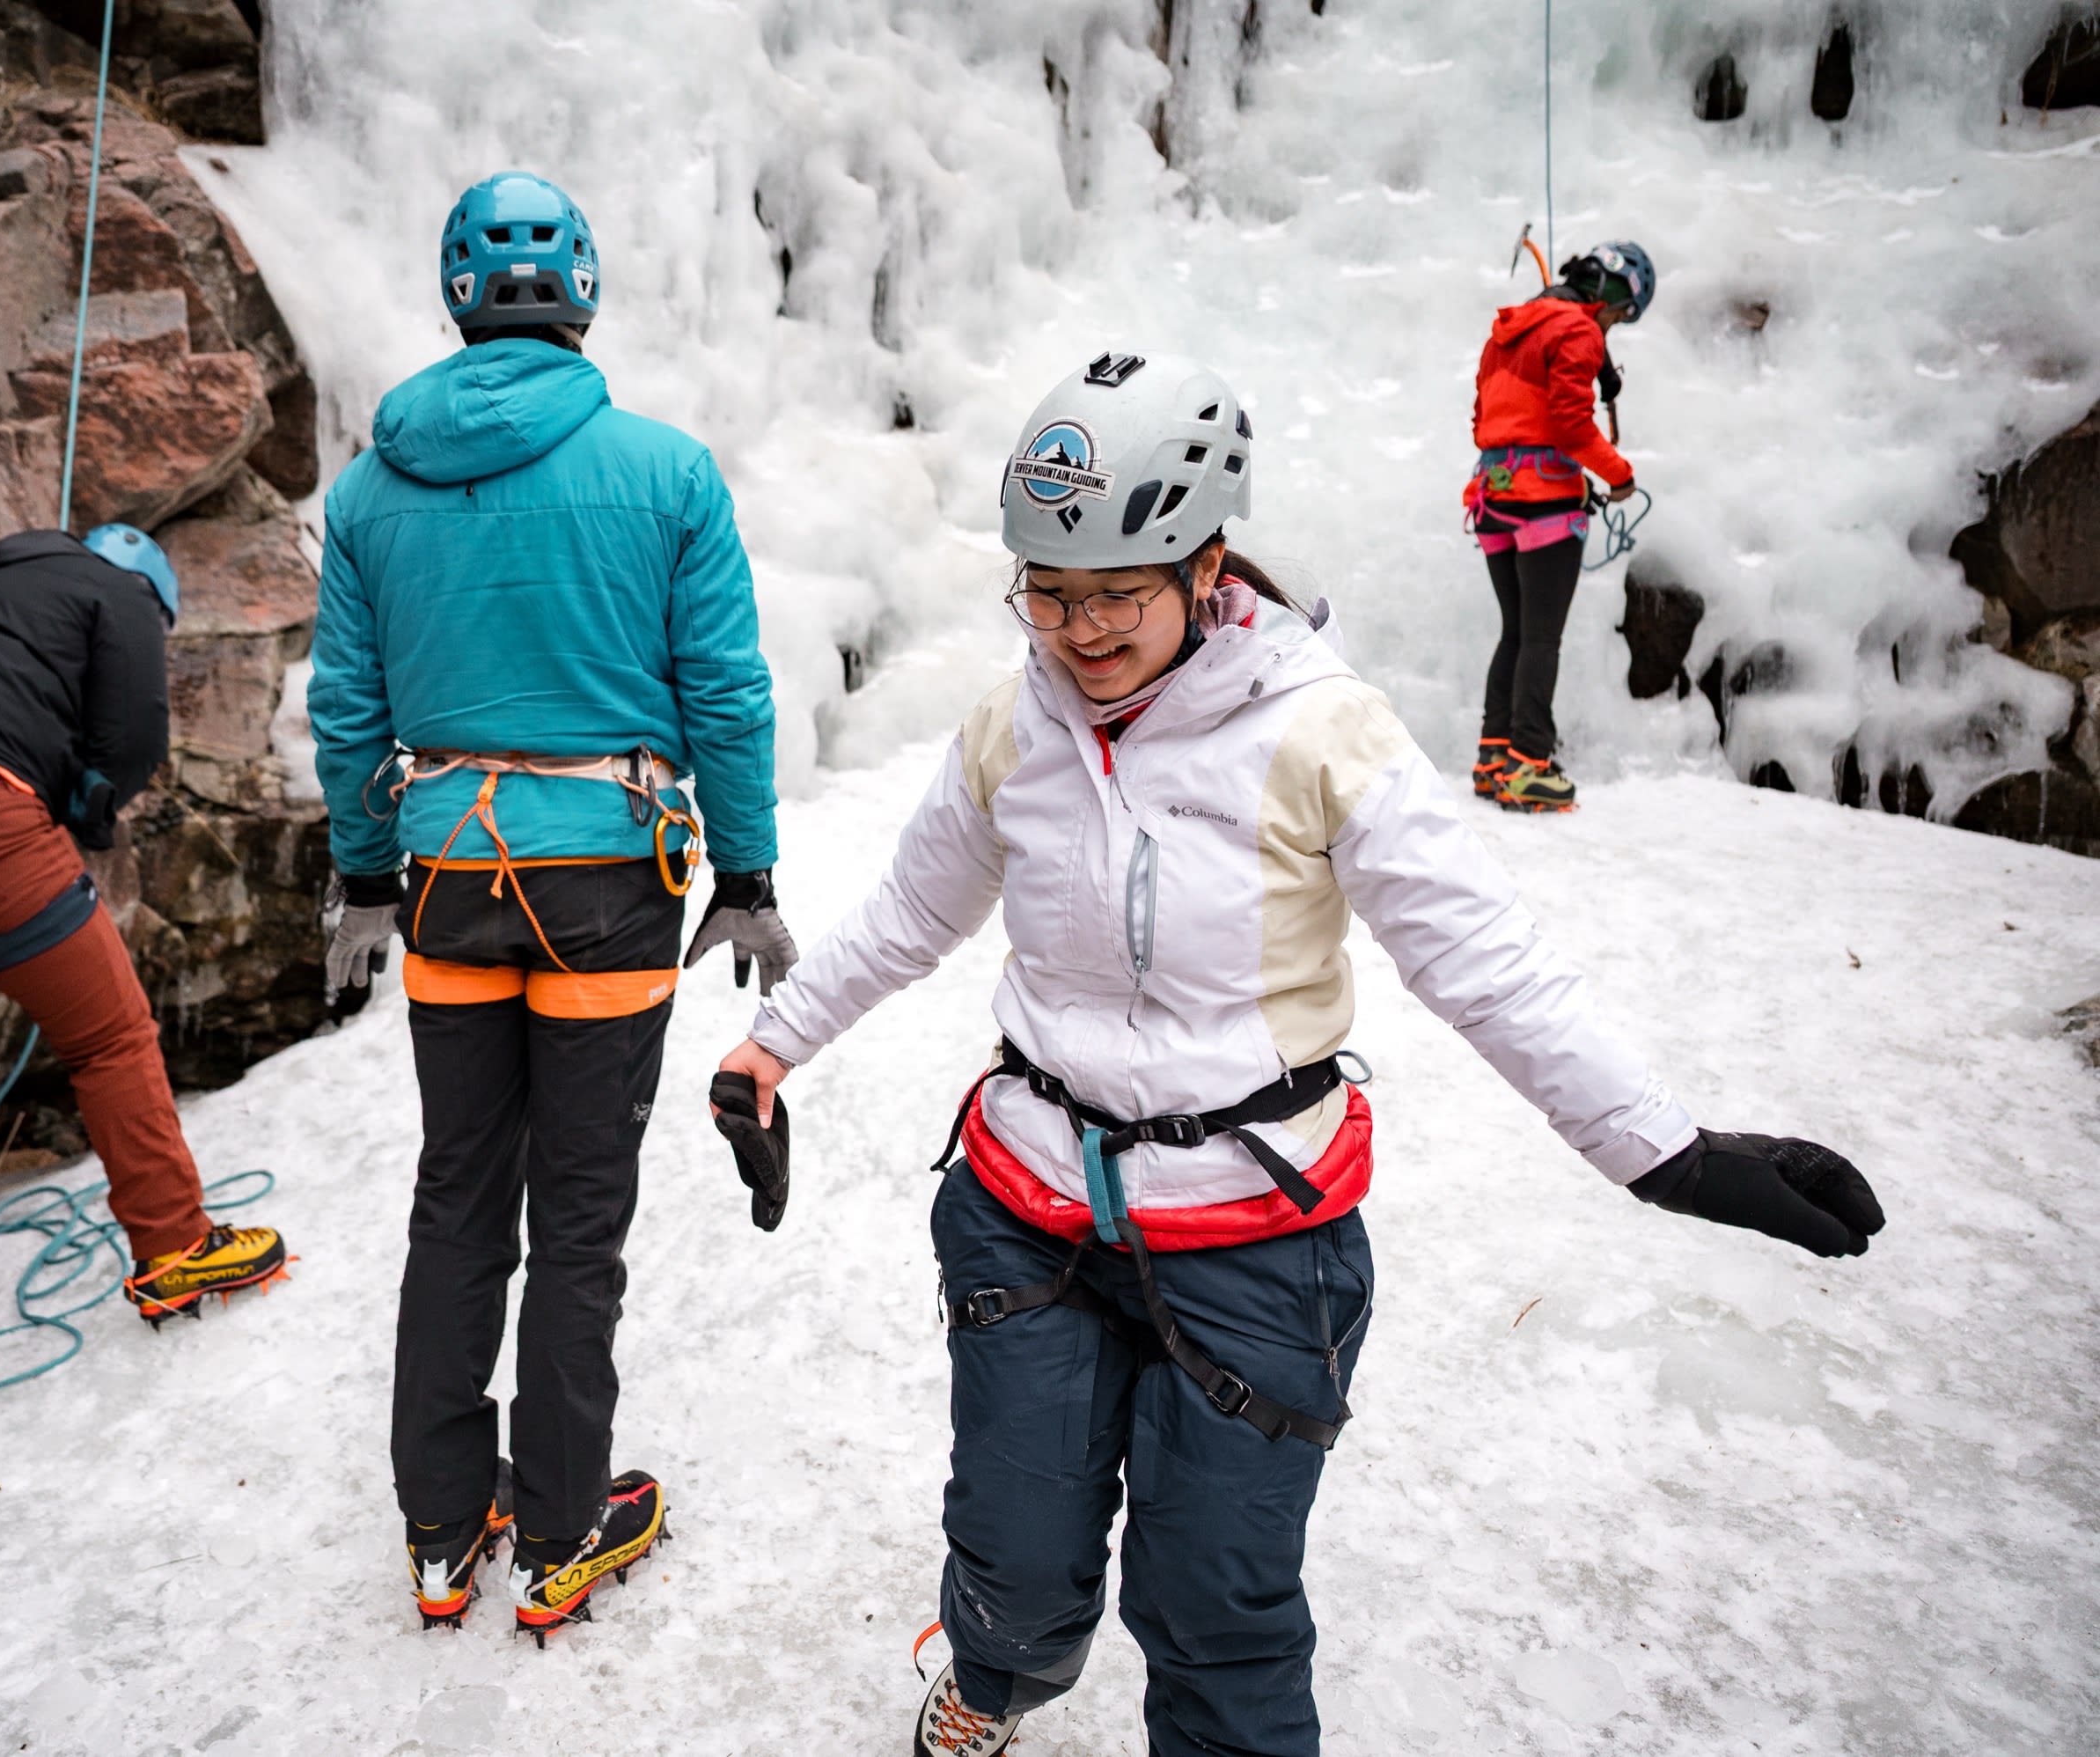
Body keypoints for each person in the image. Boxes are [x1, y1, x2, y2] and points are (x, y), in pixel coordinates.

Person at [716, 351, 1883, 1756]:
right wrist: (771, 1050)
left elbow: (1481, 958)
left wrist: (1664, 1148)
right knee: (1015, 1569)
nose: (1078, 633)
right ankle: (1000, 1670)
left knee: (1218, 1615)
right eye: (1049, 592)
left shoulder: (1321, 729)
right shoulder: (1014, 724)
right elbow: (914, 910)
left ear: (1207, 565)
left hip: (1259, 1234)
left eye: (1116, 595)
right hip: (1028, 1212)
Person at [307, 171, 795, 1640]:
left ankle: (443, 1531)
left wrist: (361, 869)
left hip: (450, 867)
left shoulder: (371, 486)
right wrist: (749, 870)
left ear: (458, 292)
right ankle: (566, 1527)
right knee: (578, 1208)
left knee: (461, 1189)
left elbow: (348, 706)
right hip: (611, 876)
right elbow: (724, 689)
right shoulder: (665, 471)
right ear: (582, 290)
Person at [0, 525, 290, 1357]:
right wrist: (91, 812)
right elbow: (133, 734)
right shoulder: (120, 594)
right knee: (110, 1038)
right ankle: (177, 1247)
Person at [1464, 239, 1656, 812]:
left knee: (1516, 633)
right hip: (1545, 505)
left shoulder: (1507, 332)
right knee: (1541, 637)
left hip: (1492, 499)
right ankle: (1530, 767)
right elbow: (1572, 427)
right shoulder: (1577, 330)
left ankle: (1493, 758)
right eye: (1622, 313)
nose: (1617, 325)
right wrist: (1619, 477)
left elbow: (1485, 420)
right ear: (1609, 295)